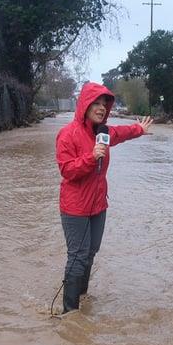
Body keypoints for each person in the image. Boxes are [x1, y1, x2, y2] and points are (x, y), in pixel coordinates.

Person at [55, 82, 153, 314]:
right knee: (77, 257)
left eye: (104, 104)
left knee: (91, 252)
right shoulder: (67, 134)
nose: (101, 108)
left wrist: (138, 129)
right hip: (74, 207)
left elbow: (121, 132)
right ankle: (70, 314)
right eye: (96, 103)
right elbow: (67, 170)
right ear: (85, 105)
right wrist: (90, 158)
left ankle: (81, 295)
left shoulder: (103, 132)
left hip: (98, 204)